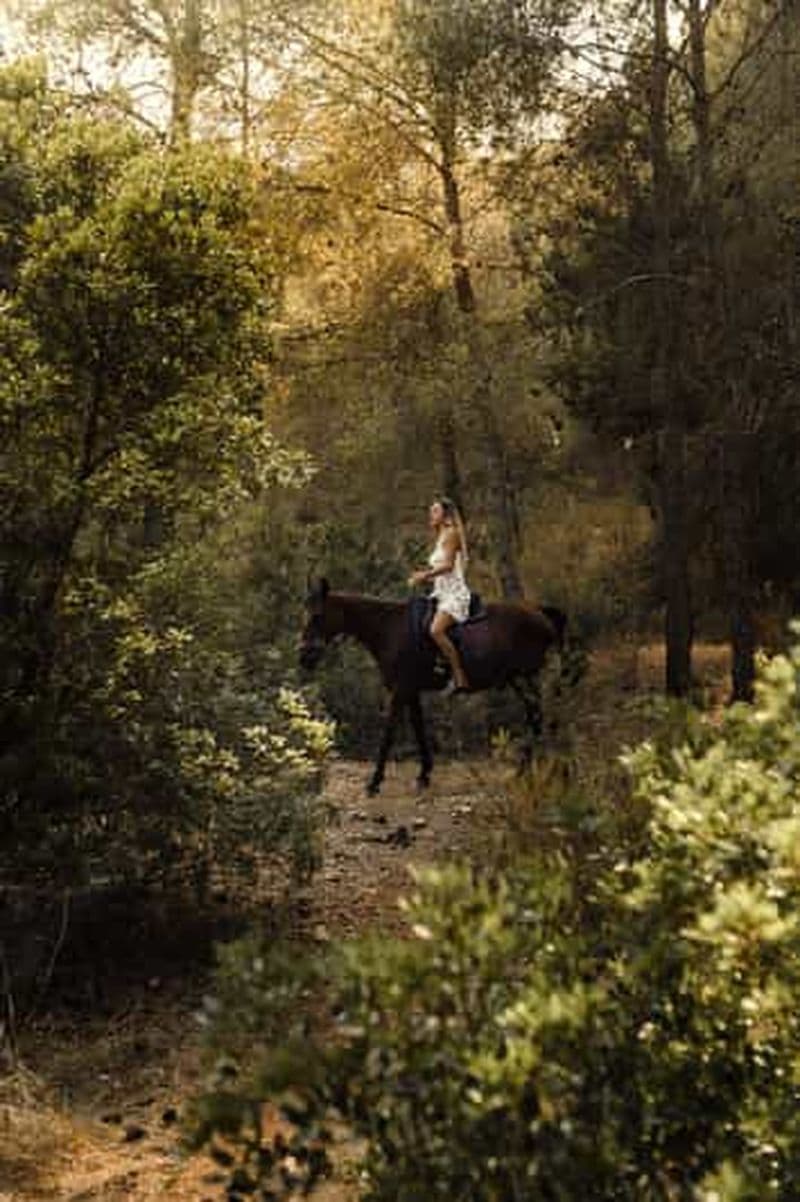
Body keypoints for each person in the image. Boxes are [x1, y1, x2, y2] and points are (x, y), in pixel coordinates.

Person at [408, 496, 471, 693]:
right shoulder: (440, 537)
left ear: (445, 515)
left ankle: (459, 676)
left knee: (436, 630)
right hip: (440, 593)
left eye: (435, 511)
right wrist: (424, 579)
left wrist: (424, 575)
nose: (431, 515)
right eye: (431, 511)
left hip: (454, 594)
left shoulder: (451, 534)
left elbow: (449, 566)